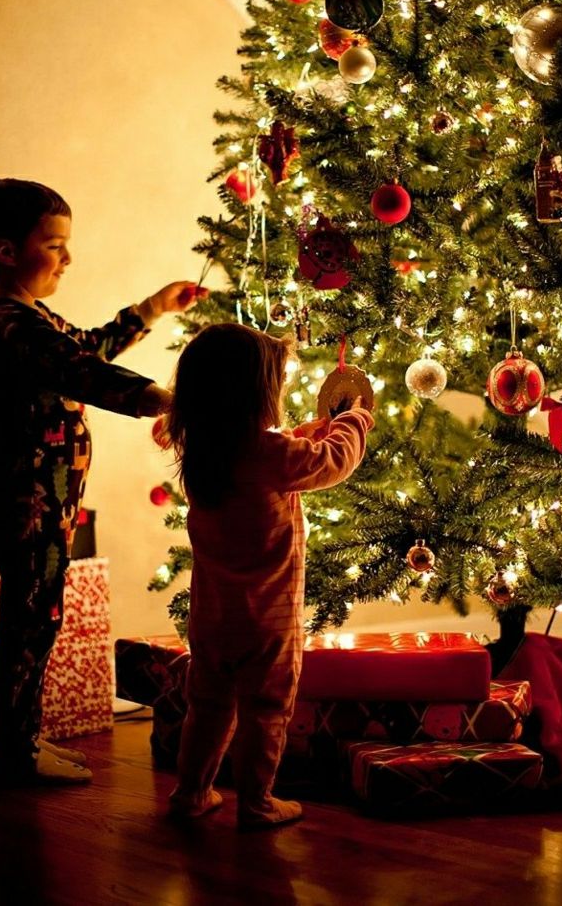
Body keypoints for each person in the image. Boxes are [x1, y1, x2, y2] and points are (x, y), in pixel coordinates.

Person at [0, 177, 206, 786]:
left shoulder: (35, 317)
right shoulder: (11, 325)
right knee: (30, 620)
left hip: (50, 500)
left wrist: (153, 308)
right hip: (28, 504)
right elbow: (81, 371)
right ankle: (17, 752)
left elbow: (88, 347)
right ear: (7, 252)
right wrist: (164, 400)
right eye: (55, 245)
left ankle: (24, 742)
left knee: (38, 617)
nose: (68, 258)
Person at [166, 323, 374, 830]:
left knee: (208, 707)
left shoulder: (205, 454)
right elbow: (332, 462)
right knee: (265, 709)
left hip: (213, 618)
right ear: (255, 394)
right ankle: (257, 802)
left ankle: (191, 793)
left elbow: (274, 454)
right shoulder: (272, 457)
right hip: (269, 621)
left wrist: (303, 432)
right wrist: (353, 422)